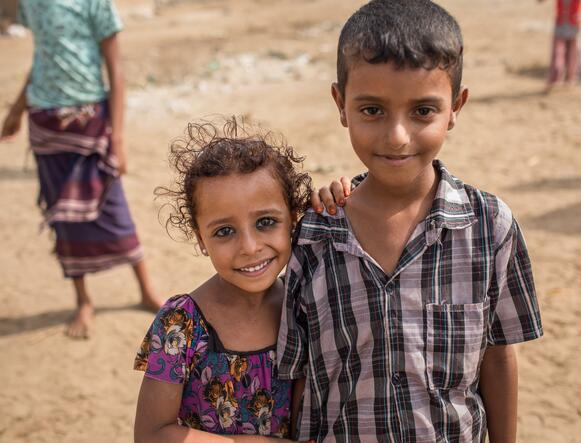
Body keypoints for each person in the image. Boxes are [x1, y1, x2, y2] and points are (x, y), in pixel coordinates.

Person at [277, 1, 544, 442]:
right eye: (372, 110)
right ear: (340, 104)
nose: (397, 136)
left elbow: (497, 357)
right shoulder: (315, 235)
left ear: (456, 107)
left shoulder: (489, 227)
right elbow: (299, 376)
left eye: (423, 111)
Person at [134, 118, 341, 441]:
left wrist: (338, 203)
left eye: (267, 222)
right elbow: (152, 434)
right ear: (200, 238)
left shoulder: (304, 303)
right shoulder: (181, 323)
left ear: (294, 219)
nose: (249, 247)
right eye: (224, 231)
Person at [0, 0, 163, 338]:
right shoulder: (32, 4)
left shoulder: (94, 3)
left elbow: (115, 70)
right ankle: (83, 300)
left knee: (114, 207)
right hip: (45, 122)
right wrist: (17, 110)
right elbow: (42, 56)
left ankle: (146, 291)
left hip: (90, 121)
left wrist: (118, 139)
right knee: (63, 217)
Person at [539, 0, 581, 90]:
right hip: (565, 22)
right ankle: (559, 77)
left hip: (571, 22)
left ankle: (568, 77)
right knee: (560, 52)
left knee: (570, 52)